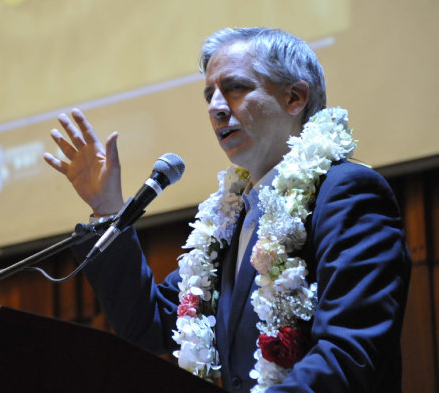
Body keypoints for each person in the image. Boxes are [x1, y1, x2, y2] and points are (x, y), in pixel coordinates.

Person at [43, 27, 411, 393]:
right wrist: (108, 209)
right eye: (209, 94)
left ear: (295, 98)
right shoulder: (230, 217)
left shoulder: (348, 193)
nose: (216, 107)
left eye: (235, 88)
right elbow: (150, 325)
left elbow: (350, 354)